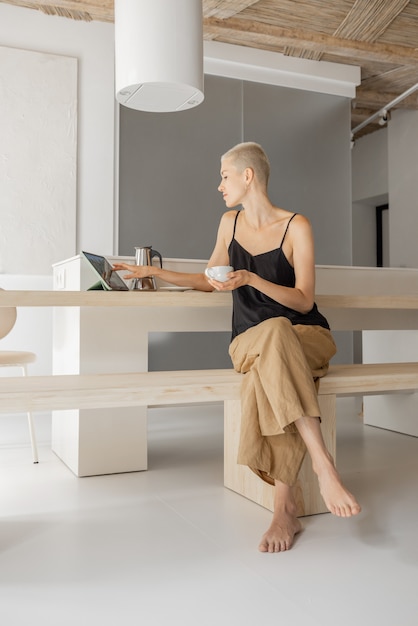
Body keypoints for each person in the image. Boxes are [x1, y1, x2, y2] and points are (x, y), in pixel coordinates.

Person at [113, 141, 361, 552]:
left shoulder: (297, 226)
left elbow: (303, 299)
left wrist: (251, 279)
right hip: (249, 340)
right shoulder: (228, 224)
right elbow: (207, 279)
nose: (219, 185)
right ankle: (322, 464)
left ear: (248, 176)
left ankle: (285, 507)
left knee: (280, 339)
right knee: (274, 337)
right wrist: (154, 272)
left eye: (224, 175)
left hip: (307, 335)